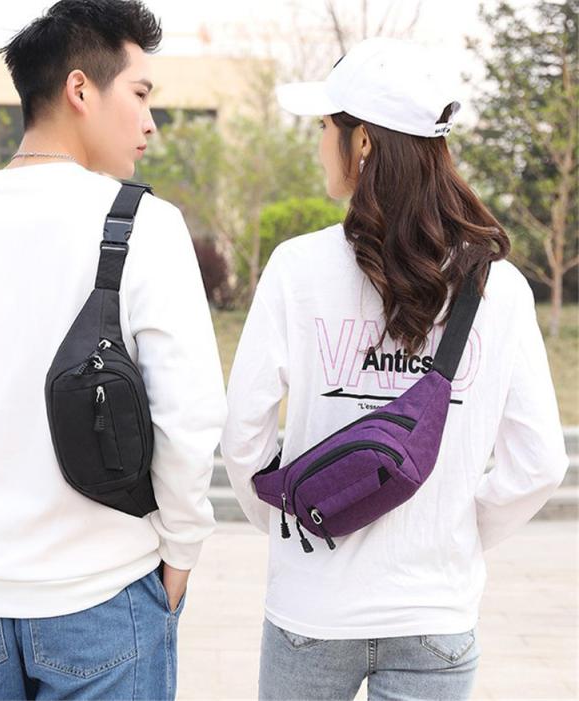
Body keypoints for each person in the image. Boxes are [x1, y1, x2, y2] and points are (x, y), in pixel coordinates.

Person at [221, 38, 568, 701]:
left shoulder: (297, 269)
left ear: (362, 142)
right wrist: (455, 533)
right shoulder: (500, 287)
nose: (318, 143)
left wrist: (298, 522)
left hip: (312, 608)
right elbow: (540, 464)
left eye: (324, 126)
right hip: (435, 612)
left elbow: (243, 439)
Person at [0, 1, 226, 699]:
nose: (150, 122)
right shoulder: (145, 225)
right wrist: (182, 549)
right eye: (140, 93)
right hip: (100, 593)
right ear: (79, 89)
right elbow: (188, 416)